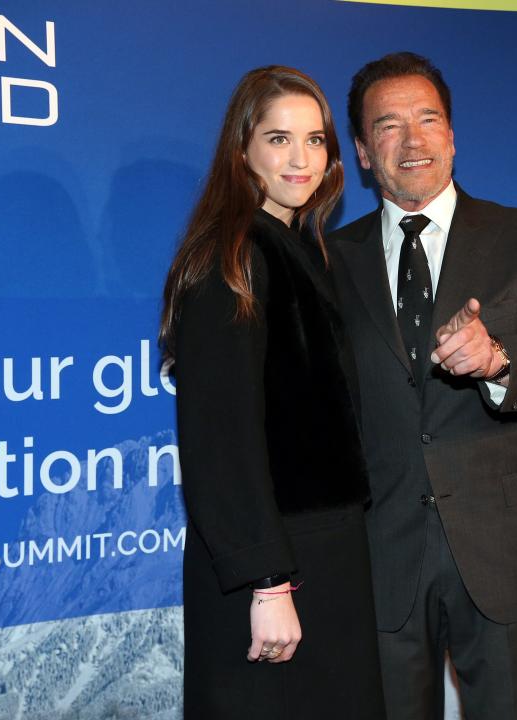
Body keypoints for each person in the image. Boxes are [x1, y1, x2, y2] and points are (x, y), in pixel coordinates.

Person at [328, 52, 517, 719]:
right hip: (377, 567)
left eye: (429, 119)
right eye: (389, 126)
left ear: (452, 135)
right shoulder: (327, 261)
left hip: (506, 560)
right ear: (364, 153)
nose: (413, 140)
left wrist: (499, 358)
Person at [159, 66, 385, 720]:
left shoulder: (296, 248)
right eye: (278, 139)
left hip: (323, 553)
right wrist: (267, 581)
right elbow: (218, 436)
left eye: (315, 140)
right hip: (274, 562)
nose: (300, 158)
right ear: (242, 151)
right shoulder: (232, 258)